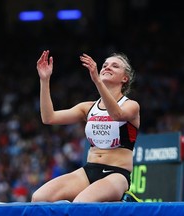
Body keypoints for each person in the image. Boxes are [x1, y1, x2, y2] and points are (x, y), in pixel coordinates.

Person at [31, 50, 140, 202]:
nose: (107, 67)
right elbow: (49, 118)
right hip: (88, 170)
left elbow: (117, 115)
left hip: (117, 174)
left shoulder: (131, 106)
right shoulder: (88, 108)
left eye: (115, 66)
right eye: (105, 65)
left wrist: (97, 81)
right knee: (39, 198)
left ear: (125, 78)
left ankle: (122, 200)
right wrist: (44, 80)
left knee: (80, 204)